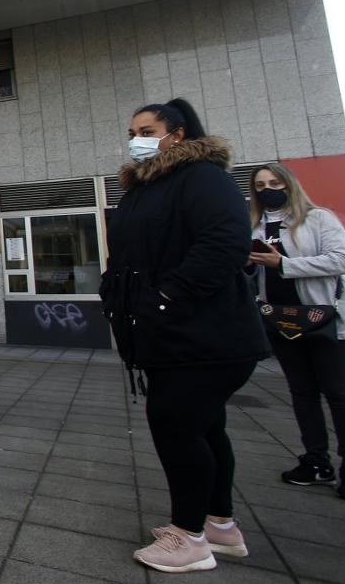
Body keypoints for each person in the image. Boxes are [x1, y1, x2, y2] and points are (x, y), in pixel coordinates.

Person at [101, 98, 269, 573]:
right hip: (169, 336)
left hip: (207, 335)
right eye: (133, 129)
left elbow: (223, 245)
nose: (137, 137)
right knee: (205, 426)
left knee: (175, 423)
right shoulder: (144, 188)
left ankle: (189, 536)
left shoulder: (204, 178)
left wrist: (166, 297)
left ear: (176, 134)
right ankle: (220, 526)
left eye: (147, 129)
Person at [247, 163, 345, 500]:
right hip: (282, 319)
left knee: (339, 393)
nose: (268, 189)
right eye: (261, 185)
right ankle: (316, 460)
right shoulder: (256, 225)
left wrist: (284, 264)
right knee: (302, 392)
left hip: (326, 318)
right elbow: (254, 274)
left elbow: (342, 259)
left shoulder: (318, 218)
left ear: (289, 184)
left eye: (275, 182)